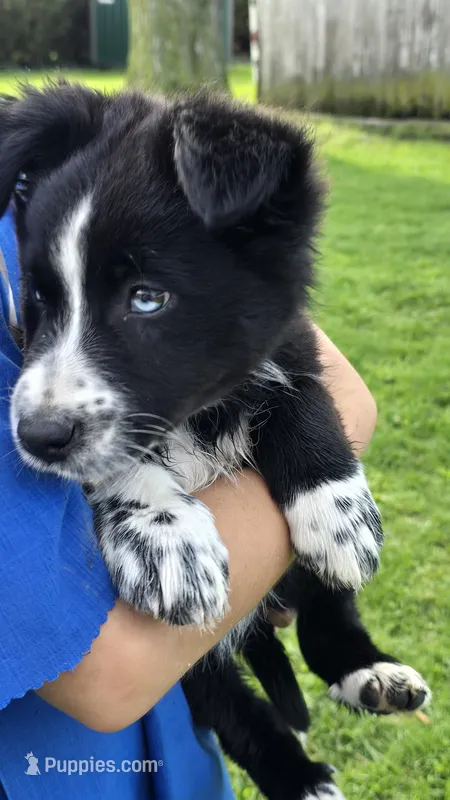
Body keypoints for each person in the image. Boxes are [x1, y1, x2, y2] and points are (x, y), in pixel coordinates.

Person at [0, 205, 377, 799]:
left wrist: (315, 468)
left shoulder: (82, 182)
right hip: (68, 765)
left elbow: (329, 380)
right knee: (214, 681)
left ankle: (341, 659)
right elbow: (111, 673)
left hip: (174, 750)